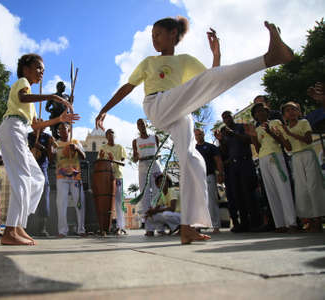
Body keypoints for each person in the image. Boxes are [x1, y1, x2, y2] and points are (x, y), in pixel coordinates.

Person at [95, 16, 293, 243]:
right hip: (157, 105)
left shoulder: (185, 60)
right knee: (198, 90)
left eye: (157, 34)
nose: (154, 40)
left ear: (172, 35)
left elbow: (212, 78)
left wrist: (216, 54)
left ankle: (187, 226)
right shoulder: (149, 62)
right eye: (151, 36)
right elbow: (128, 87)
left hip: (180, 110)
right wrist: (104, 109)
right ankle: (268, 59)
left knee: (193, 161)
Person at [0, 53, 78, 246]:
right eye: (38, 67)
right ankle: (10, 230)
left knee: (38, 178)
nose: (42, 72)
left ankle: (17, 225)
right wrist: (51, 96)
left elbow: (34, 126)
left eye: (43, 69)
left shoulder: (31, 104)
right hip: (12, 128)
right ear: (26, 68)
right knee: (23, 178)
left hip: (20, 132)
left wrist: (59, 120)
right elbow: (22, 97)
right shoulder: (22, 82)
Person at [245, 103, 297, 232]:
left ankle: (291, 222)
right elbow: (257, 148)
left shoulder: (275, 122)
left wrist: (269, 131)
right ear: (255, 116)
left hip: (276, 156)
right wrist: (252, 135)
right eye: (257, 112)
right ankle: (280, 224)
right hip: (263, 159)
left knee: (283, 188)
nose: (260, 113)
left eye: (262, 111)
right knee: (271, 191)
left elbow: (283, 142)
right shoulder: (256, 129)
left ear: (267, 112)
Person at [281, 101, 325, 233]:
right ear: (284, 116)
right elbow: (288, 147)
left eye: (294, 109)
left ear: (299, 112)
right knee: (301, 188)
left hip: (307, 154)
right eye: (288, 110)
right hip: (295, 157)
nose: (291, 112)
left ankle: (318, 219)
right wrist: (281, 136)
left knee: (313, 185)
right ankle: (309, 220)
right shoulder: (285, 128)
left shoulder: (303, 123)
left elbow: (308, 140)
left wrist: (289, 133)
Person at [217, 111, 261, 232]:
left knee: (250, 193)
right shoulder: (224, 133)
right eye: (224, 117)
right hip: (233, 166)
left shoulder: (241, 127)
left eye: (228, 116)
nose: (226, 119)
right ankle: (244, 223)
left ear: (233, 117)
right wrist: (221, 140)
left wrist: (233, 134)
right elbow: (225, 151)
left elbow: (249, 140)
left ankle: (256, 222)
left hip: (245, 162)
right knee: (238, 195)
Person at [54, 122, 86, 238]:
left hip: (75, 176)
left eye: (64, 128)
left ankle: (81, 229)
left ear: (69, 129)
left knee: (79, 203)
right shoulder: (56, 143)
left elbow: (84, 157)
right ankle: (62, 230)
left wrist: (77, 148)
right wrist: (50, 147)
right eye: (60, 129)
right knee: (61, 203)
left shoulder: (76, 142)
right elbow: (52, 157)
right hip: (61, 176)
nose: (62, 131)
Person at [132, 118, 162, 235]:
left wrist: (155, 156)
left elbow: (159, 152)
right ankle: (149, 228)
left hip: (155, 167)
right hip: (143, 169)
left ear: (146, 125)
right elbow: (134, 158)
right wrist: (137, 158)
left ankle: (160, 227)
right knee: (145, 197)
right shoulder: (136, 141)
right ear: (137, 127)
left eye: (143, 124)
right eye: (139, 124)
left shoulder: (154, 137)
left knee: (157, 195)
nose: (141, 126)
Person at [194, 128, 224, 233]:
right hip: (197, 178)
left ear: (203, 134)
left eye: (200, 134)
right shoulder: (193, 148)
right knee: (198, 202)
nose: (199, 136)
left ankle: (216, 226)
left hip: (209, 176)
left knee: (212, 201)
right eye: (197, 134)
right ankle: (198, 225)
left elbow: (218, 160)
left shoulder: (211, 147)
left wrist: (220, 173)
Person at [28, 122, 55, 236]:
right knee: (27, 195)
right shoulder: (27, 136)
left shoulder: (48, 137)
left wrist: (44, 147)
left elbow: (51, 157)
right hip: (29, 169)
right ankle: (25, 226)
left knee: (44, 196)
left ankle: (42, 228)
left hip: (42, 169)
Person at [98, 129, 127, 235]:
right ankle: (106, 227)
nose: (110, 135)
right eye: (108, 133)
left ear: (115, 135)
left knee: (119, 202)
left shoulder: (120, 147)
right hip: (106, 178)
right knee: (106, 203)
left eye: (112, 133)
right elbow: (100, 161)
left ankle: (121, 227)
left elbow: (123, 162)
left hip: (117, 177)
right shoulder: (103, 148)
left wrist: (112, 159)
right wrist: (102, 158)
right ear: (106, 136)